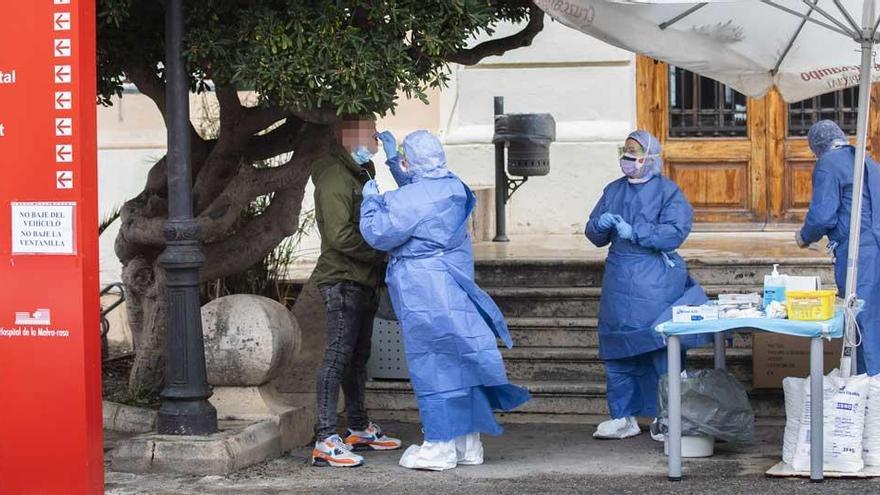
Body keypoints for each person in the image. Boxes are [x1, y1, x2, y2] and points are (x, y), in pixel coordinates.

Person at [359, 130, 531, 471]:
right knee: (460, 363)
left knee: (433, 365)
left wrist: (371, 201)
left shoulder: (408, 201)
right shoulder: (453, 187)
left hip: (423, 290)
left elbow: (378, 232)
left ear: (413, 162)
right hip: (451, 284)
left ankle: (438, 446)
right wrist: (396, 162)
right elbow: (422, 192)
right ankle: (468, 444)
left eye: (406, 159)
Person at [585, 130, 710, 440]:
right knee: (618, 349)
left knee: (659, 348)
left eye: (634, 153)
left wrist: (636, 231)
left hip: (655, 279)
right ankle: (622, 416)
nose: (627, 159)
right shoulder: (613, 191)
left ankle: (668, 417)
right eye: (625, 152)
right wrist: (598, 227)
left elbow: (674, 232)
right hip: (618, 276)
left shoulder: (668, 193)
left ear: (651, 158)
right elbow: (594, 233)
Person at [310, 117, 402, 467]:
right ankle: (324, 438)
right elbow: (340, 237)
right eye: (369, 131)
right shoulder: (335, 175)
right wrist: (382, 250)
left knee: (357, 358)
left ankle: (358, 427)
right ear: (346, 135)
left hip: (362, 278)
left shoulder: (361, 171)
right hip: (343, 279)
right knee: (336, 357)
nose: (377, 137)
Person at [797, 120, 880, 375]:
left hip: (857, 250)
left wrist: (804, 236)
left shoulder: (828, 164)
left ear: (816, 148)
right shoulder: (867, 162)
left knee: (861, 321)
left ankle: (870, 393)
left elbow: (823, 216)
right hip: (874, 245)